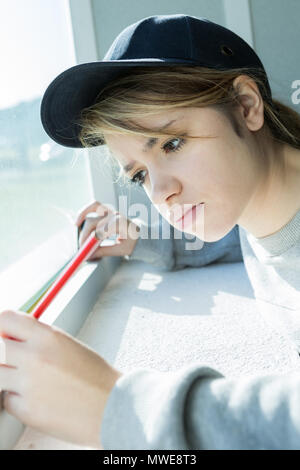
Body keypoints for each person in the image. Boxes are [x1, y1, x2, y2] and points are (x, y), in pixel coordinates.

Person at [1, 14, 300, 450]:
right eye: (140, 175)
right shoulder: (261, 212)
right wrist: (139, 237)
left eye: (172, 144)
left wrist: (116, 409)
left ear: (246, 106)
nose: (162, 192)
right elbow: (230, 243)